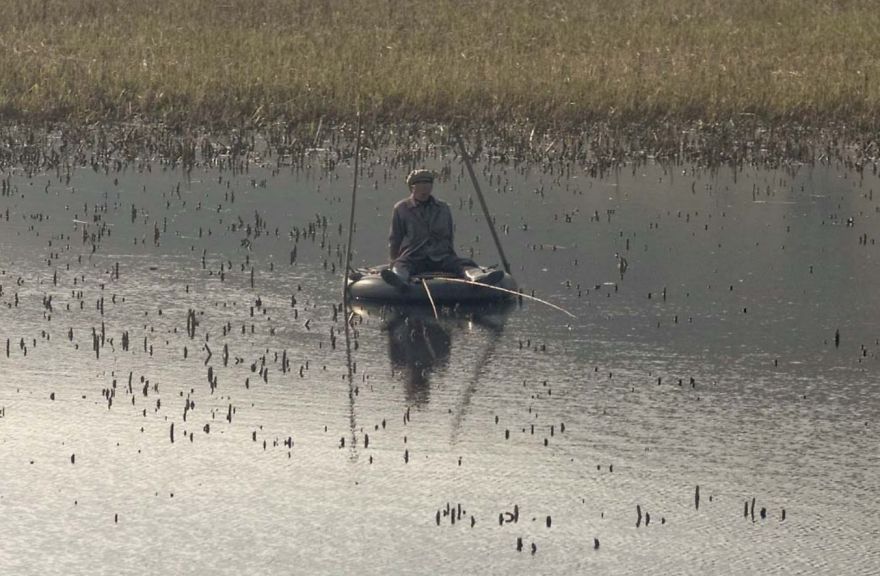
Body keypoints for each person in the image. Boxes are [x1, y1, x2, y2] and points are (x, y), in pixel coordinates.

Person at [381, 169, 503, 289]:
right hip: (415, 256)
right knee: (401, 265)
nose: (425, 187)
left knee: (464, 263)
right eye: (420, 183)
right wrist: (393, 260)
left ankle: (478, 278)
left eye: (427, 183)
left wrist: (450, 254)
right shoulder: (402, 208)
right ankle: (399, 279)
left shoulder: (442, 208)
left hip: (440, 256)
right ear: (413, 187)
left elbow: (449, 234)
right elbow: (395, 238)